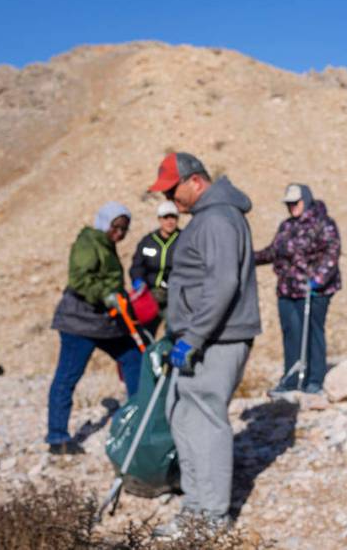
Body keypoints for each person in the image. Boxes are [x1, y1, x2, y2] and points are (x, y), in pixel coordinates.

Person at [147, 152, 261, 537]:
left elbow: (222, 283)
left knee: (206, 419)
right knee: (183, 416)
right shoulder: (208, 218)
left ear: (195, 181)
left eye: (172, 189)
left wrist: (192, 337)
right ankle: (195, 508)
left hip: (216, 338)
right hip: (200, 336)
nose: (169, 199)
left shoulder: (217, 219)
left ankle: (211, 516)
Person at [47, 202, 141, 455]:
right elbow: (80, 279)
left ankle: (140, 416)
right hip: (80, 322)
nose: (119, 234)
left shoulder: (105, 245)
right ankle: (57, 437)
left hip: (104, 322)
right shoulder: (89, 243)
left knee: (134, 359)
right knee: (67, 376)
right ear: (105, 223)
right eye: (116, 227)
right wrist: (106, 294)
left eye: (124, 230)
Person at [255, 183, 341, 396]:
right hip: (287, 289)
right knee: (291, 333)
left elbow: (332, 252)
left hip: (314, 292)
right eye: (289, 203)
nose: (292, 207)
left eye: (296, 202)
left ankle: (314, 379)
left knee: (312, 333)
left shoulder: (323, 224)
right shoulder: (287, 226)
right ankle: (292, 379)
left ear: (306, 200)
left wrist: (317, 280)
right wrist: (249, 257)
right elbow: (273, 251)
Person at [129, 200, 182, 337]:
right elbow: (137, 266)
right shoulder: (148, 241)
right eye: (166, 217)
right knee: (144, 332)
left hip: (175, 295)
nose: (169, 221)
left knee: (175, 330)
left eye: (173, 217)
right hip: (151, 294)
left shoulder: (184, 239)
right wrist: (138, 281)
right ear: (159, 219)